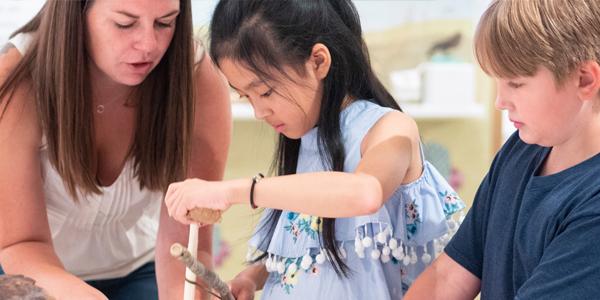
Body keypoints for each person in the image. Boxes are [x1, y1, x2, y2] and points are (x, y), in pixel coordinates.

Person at [164, 0, 465, 299]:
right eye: (246, 96)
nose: (259, 111)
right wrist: (254, 276)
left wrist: (236, 191)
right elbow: (317, 246)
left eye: (265, 91)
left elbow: (364, 194)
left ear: (318, 61)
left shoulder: (391, 129)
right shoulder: (307, 141)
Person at [0, 0, 231, 299]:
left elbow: (189, 245)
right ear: (76, 13)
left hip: (140, 267)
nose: (149, 44)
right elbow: (21, 243)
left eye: (165, 23)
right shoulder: (15, 81)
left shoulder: (198, 79)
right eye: (125, 23)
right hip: (23, 267)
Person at [405, 0, 600, 299]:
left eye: (516, 83)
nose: (500, 101)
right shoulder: (521, 151)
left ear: (584, 79)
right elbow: (449, 276)